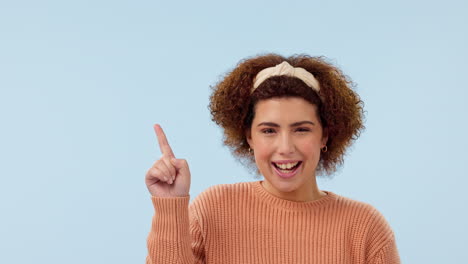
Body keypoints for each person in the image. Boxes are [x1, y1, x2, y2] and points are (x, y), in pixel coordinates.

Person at [144, 53, 401, 263]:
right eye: (269, 131)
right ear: (249, 137)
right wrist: (170, 207)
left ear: (325, 136)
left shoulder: (365, 229)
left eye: (302, 129)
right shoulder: (212, 210)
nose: (285, 147)